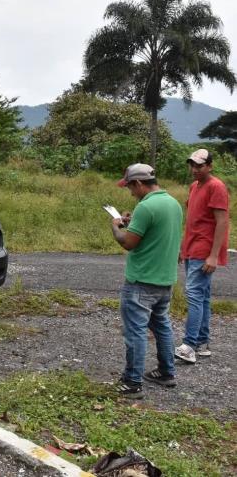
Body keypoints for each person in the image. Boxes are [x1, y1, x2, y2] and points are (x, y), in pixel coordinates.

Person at [110, 163, 183, 398]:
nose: (130, 192)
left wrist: (117, 227)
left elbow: (128, 243)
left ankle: (132, 382)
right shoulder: (173, 204)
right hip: (165, 279)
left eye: (131, 186)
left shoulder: (146, 207)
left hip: (141, 281)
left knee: (136, 332)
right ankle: (166, 372)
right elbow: (155, 234)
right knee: (162, 326)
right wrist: (133, 223)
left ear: (139, 183)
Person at [175, 149, 230, 364]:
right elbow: (192, 219)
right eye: (192, 165)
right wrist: (182, 246)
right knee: (203, 296)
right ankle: (202, 342)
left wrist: (214, 255)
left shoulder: (216, 187)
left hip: (204, 250)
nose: (195, 169)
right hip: (192, 246)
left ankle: (189, 346)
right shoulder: (194, 186)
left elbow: (222, 222)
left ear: (209, 166)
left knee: (194, 294)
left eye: (199, 165)